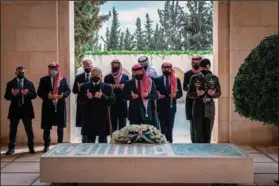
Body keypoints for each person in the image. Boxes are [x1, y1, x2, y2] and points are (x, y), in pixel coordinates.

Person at [37, 62, 71, 152]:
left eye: (55, 69)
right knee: (46, 127)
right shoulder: (44, 79)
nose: (53, 71)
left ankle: (60, 145)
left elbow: (68, 90)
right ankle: (46, 145)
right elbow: (39, 92)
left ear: (58, 69)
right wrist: (48, 96)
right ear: (49, 69)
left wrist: (62, 95)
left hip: (60, 105)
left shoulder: (63, 79)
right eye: (51, 69)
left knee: (60, 127)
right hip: (48, 106)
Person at [4, 66, 36, 155]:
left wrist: (28, 93)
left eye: (23, 72)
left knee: (29, 129)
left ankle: (31, 147)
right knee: (13, 130)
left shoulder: (29, 83)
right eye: (19, 72)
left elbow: (34, 95)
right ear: (16, 73)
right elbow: (6, 96)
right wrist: (12, 94)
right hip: (15, 110)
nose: (21, 74)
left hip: (26, 110)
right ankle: (11, 148)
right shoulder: (10, 83)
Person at [187, 59, 221, 143]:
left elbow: (219, 93)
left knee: (208, 134)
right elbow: (189, 94)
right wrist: (197, 94)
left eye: (204, 67)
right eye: (201, 68)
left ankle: (207, 153)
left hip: (209, 108)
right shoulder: (194, 78)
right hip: (198, 107)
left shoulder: (214, 78)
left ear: (208, 66)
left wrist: (213, 94)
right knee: (198, 133)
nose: (203, 69)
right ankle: (199, 154)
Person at [80, 67, 115, 143]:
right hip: (89, 118)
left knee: (103, 142)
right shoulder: (84, 86)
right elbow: (79, 100)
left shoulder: (107, 87)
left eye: (97, 75)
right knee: (89, 142)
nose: (94, 76)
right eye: (93, 75)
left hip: (102, 118)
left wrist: (103, 96)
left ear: (101, 76)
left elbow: (112, 100)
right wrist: (86, 97)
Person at [155, 62, 183, 143]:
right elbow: (154, 92)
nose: (166, 70)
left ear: (171, 69)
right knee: (162, 127)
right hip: (161, 107)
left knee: (170, 127)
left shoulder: (176, 80)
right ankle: (162, 142)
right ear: (162, 69)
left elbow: (180, 93)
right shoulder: (157, 80)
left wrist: (174, 95)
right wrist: (158, 95)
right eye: (164, 69)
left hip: (171, 107)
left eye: (168, 69)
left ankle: (170, 143)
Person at [104, 59, 129, 132]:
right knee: (113, 125)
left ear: (119, 65)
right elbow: (105, 90)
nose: (115, 66)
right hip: (112, 104)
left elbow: (128, 90)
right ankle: (113, 141)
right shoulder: (107, 77)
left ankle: (122, 141)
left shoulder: (125, 77)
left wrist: (123, 87)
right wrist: (111, 87)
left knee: (123, 125)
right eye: (113, 64)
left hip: (122, 103)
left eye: (116, 64)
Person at [72, 59, 93, 143]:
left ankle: (91, 139)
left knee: (92, 121)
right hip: (82, 103)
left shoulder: (95, 76)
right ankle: (84, 140)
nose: (87, 68)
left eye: (88, 66)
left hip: (92, 103)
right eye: (85, 66)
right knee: (83, 122)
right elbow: (74, 91)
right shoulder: (78, 77)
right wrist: (78, 88)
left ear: (92, 66)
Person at [183, 56, 202, 143]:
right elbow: (184, 87)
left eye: (197, 63)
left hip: (202, 102)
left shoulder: (204, 73)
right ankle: (194, 142)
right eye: (193, 63)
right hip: (191, 101)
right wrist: (194, 90)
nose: (195, 64)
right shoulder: (187, 74)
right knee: (192, 124)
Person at [138, 56, 160, 129]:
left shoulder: (152, 72)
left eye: (145, 63)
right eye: (141, 64)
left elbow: (156, 86)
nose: (143, 65)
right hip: (141, 99)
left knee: (153, 119)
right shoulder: (137, 73)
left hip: (151, 99)